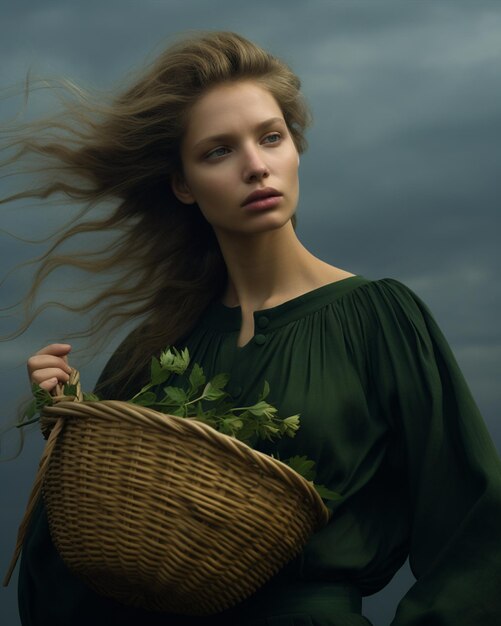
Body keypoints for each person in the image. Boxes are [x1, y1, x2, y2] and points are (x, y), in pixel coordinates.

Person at [4, 31, 501, 626]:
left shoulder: (382, 317)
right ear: (183, 185)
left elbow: (477, 537)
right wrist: (71, 433)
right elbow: (84, 575)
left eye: (271, 137)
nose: (256, 166)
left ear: (295, 146)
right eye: (218, 151)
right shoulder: (156, 348)